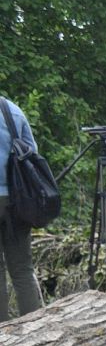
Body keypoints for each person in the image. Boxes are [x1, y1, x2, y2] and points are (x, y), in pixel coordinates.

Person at [0, 93, 45, 321]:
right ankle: (33, 329)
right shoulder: (13, 111)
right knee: (22, 270)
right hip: (18, 202)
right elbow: (32, 154)